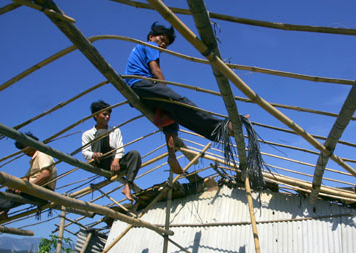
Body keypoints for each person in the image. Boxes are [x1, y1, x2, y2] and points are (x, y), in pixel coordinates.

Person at [124, 22, 244, 174]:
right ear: (151, 37)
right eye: (161, 39)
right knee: (181, 103)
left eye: (166, 43)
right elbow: (156, 71)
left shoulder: (141, 49)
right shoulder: (149, 45)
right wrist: (166, 92)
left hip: (139, 88)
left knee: (171, 119)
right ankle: (221, 127)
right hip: (141, 83)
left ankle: (172, 156)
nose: (162, 44)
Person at [0, 132, 57, 223]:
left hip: (42, 191)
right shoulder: (34, 160)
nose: (24, 152)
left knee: (7, 199)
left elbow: (45, 174)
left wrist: (25, 187)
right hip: (35, 190)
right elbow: (26, 178)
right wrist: (16, 184)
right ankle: (2, 212)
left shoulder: (42, 155)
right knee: (10, 192)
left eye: (24, 149)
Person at [82, 100, 142, 202]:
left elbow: (120, 147)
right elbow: (85, 152)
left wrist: (116, 159)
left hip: (115, 163)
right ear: (96, 115)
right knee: (101, 136)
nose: (107, 117)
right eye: (104, 114)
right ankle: (98, 161)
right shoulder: (88, 134)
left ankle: (128, 186)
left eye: (109, 115)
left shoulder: (115, 130)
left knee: (135, 154)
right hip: (101, 162)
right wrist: (93, 154)